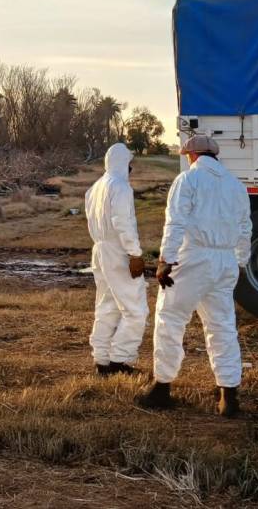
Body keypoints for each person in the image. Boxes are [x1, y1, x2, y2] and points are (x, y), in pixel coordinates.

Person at [138, 134, 251, 415]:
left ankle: (162, 387)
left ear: (192, 155)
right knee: (222, 325)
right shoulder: (236, 186)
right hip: (224, 260)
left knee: (170, 318)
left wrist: (166, 260)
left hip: (194, 258)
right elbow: (245, 227)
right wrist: (241, 261)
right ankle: (229, 395)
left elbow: (176, 222)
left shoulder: (188, 180)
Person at [85, 142, 147, 376]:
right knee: (135, 310)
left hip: (99, 251)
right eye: (130, 163)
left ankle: (101, 360)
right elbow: (123, 223)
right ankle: (119, 361)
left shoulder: (94, 188)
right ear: (123, 163)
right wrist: (135, 254)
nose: (131, 168)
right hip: (117, 252)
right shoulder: (120, 186)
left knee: (107, 305)